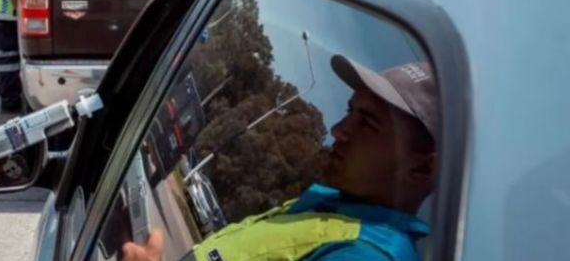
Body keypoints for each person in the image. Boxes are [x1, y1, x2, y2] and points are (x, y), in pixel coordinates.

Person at [123, 56, 439, 261]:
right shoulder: (332, 211)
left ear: (423, 168)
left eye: (368, 123)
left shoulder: (363, 255)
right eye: (348, 112)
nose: (339, 129)